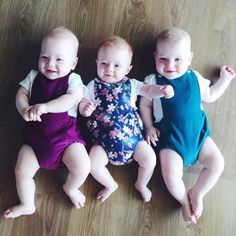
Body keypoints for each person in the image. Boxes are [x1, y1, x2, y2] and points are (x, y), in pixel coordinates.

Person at [139, 27, 235, 224]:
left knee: (217, 164)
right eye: (163, 59)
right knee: (171, 175)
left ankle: (197, 193)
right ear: (155, 56)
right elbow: (145, 104)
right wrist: (148, 126)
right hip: (171, 141)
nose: (170, 65)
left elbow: (211, 95)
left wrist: (224, 80)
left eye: (177, 59)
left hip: (199, 137)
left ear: (189, 58)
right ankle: (184, 201)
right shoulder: (152, 81)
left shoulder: (195, 78)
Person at [4, 27, 91, 219]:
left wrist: (46, 107)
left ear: (73, 63)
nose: (50, 63)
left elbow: (72, 99)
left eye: (59, 59)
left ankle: (71, 187)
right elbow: (20, 94)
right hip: (35, 143)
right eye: (45, 57)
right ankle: (27, 203)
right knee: (21, 170)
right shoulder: (33, 76)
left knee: (83, 166)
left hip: (67, 141)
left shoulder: (73, 80)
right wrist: (24, 109)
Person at [79, 36, 174, 203]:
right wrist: (85, 109)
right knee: (92, 164)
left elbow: (149, 90)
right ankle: (110, 184)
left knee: (150, 159)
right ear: (96, 63)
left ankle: (141, 183)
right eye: (103, 63)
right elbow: (81, 103)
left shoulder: (132, 84)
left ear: (128, 69)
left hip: (135, 141)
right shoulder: (92, 86)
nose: (109, 69)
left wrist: (161, 90)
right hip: (102, 144)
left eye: (116, 65)